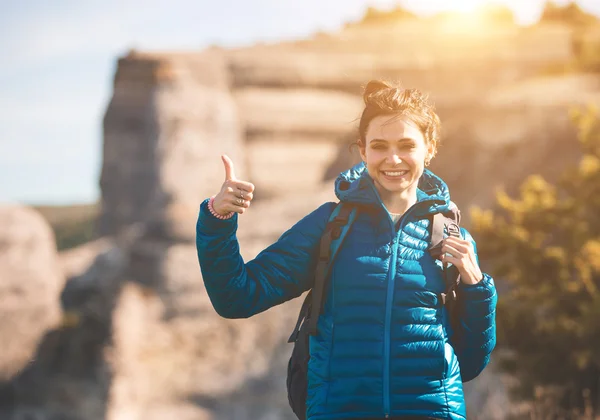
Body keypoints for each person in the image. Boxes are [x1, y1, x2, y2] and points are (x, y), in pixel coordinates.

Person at [196, 80, 497, 420]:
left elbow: (470, 363)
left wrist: (476, 287)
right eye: (379, 146)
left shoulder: (451, 234)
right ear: (363, 150)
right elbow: (237, 297)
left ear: (429, 148)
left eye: (406, 145)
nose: (393, 158)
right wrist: (218, 218)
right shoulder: (330, 225)